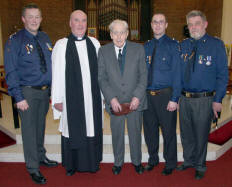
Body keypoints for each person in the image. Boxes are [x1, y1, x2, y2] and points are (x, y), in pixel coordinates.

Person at [4, 3, 58, 185]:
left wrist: (53, 91)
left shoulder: (45, 37)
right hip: (26, 92)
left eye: (37, 17)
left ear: (41, 19)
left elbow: (50, 64)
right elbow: (11, 71)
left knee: (40, 127)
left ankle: (41, 156)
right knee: (29, 131)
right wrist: (18, 97)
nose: (34, 20)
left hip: (44, 92)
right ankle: (33, 168)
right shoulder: (15, 40)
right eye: (30, 17)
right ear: (23, 19)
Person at [176, 10, 228, 180]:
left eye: (197, 23)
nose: (193, 27)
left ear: (205, 24)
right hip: (184, 98)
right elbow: (177, 73)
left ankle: (200, 165)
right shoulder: (184, 45)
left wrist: (218, 100)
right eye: (190, 24)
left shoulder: (216, 45)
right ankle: (189, 160)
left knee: (200, 134)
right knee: (186, 133)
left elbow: (222, 75)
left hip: (204, 99)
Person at [51, 10, 103, 176]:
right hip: (70, 98)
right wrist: (57, 98)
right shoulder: (62, 45)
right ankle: (72, 165)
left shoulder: (94, 43)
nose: (80, 24)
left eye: (83, 21)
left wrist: (102, 96)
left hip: (92, 97)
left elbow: (101, 73)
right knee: (73, 128)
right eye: (76, 20)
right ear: (70, 23)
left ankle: (92, 163)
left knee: (91, 127)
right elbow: (57, 73)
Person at [98, 19, 147, 175]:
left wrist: (137, 97)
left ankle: (137, 162)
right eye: (115, 33)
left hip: (134, 101)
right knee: (117, 134)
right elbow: (102, 78)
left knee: (135, 134)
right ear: (111, 34)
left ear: (127, 34)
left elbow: (143, 76)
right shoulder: (103, 51)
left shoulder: (138, 49)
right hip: (115, 103)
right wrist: (111, 99)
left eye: (122, 32)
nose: (119, 37)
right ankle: (118, 162)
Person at [143, 13, 181, 176]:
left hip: (166, 95)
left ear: (166, 25)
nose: (157, 25)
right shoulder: (146, 46)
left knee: (168, 131)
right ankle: (153, 159)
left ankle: (170, 162)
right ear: (151, 25)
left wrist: (175, 98)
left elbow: (177, 74)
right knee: (150, 130)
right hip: (147, 96)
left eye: (161, 22)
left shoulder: (173, 46)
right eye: (155, 22)